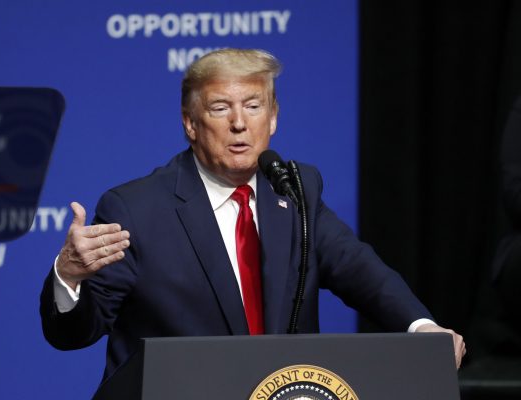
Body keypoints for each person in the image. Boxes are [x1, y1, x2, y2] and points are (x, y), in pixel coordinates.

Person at [40, 48, 465, 385]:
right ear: (190, 123)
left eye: (254, 106)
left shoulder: (297, 188)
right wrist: (69, 277)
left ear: (274, 117)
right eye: (221, 108)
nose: (240, 124)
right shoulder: (136, 208)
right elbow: (76, 333)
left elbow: (355, 266)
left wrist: (421, 328)